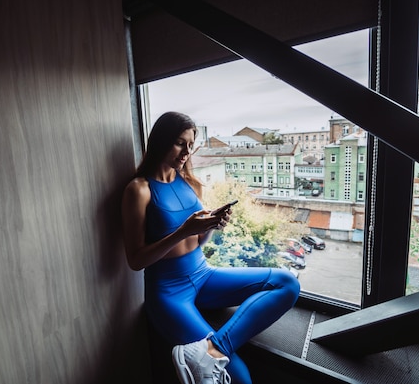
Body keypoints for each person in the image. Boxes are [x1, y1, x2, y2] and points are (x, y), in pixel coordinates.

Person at [121, 111, 300, 384]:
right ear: (160, 141)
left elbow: (198, 241)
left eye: (191, 144)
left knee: (287, 282)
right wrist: (183, 231)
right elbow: (135, 260)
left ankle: (214, 349)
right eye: (180, 143)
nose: (186, 152)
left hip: (203, 274)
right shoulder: (139, 189)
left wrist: (210, 227)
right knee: (240, 377)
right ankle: (214, 352)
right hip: (169, 293)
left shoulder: (190, 184)